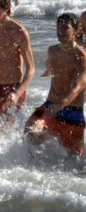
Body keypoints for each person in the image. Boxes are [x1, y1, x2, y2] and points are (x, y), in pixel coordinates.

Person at [25, 14, 86, 156]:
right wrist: (48, 69)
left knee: (73, 160)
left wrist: (61, 105)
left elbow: (77, 88)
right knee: (29, 130)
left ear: (77, 31)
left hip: (72, 113)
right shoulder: (52, 51)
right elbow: (53, 65)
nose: (60, 31)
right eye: (58, 27)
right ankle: (30, 170)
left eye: (65, 28)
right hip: (49, 105)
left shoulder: (81, 58)